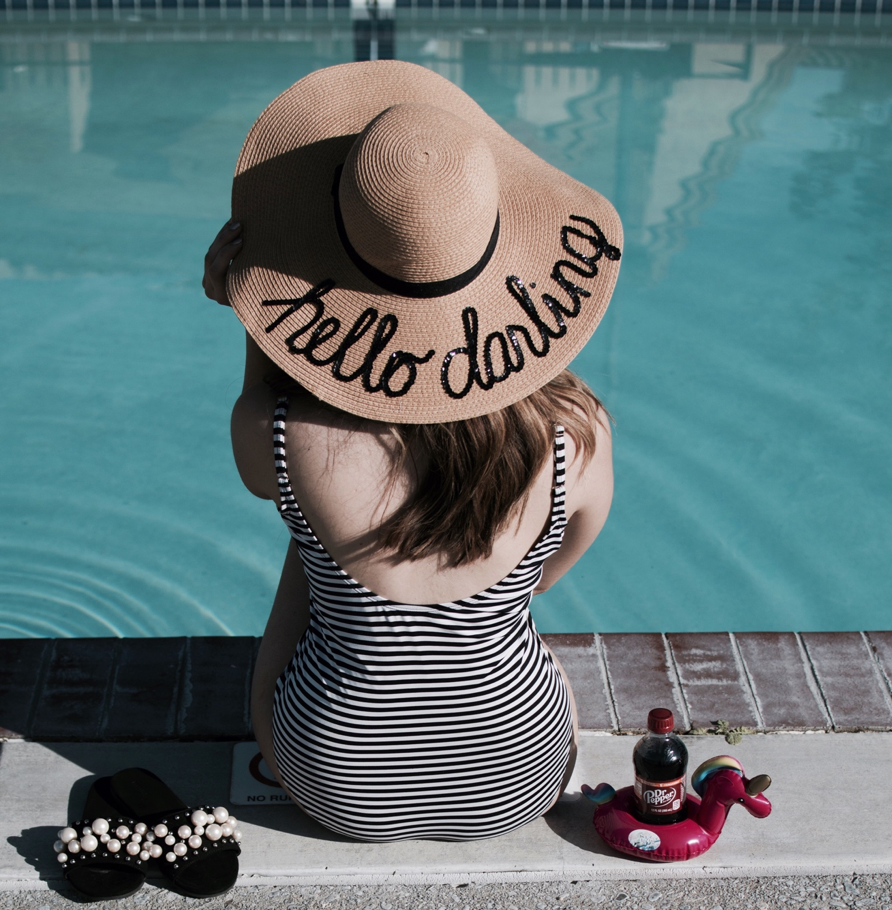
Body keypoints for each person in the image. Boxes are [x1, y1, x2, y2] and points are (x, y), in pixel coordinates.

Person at [202, 60, 621, 842]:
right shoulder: (577, 432)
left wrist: (255, 317)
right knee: (518, 628)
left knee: (306, 545)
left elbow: (260, 447)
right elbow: (556, 562)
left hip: (333, 785)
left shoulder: (284, 437)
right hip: (516, 780)